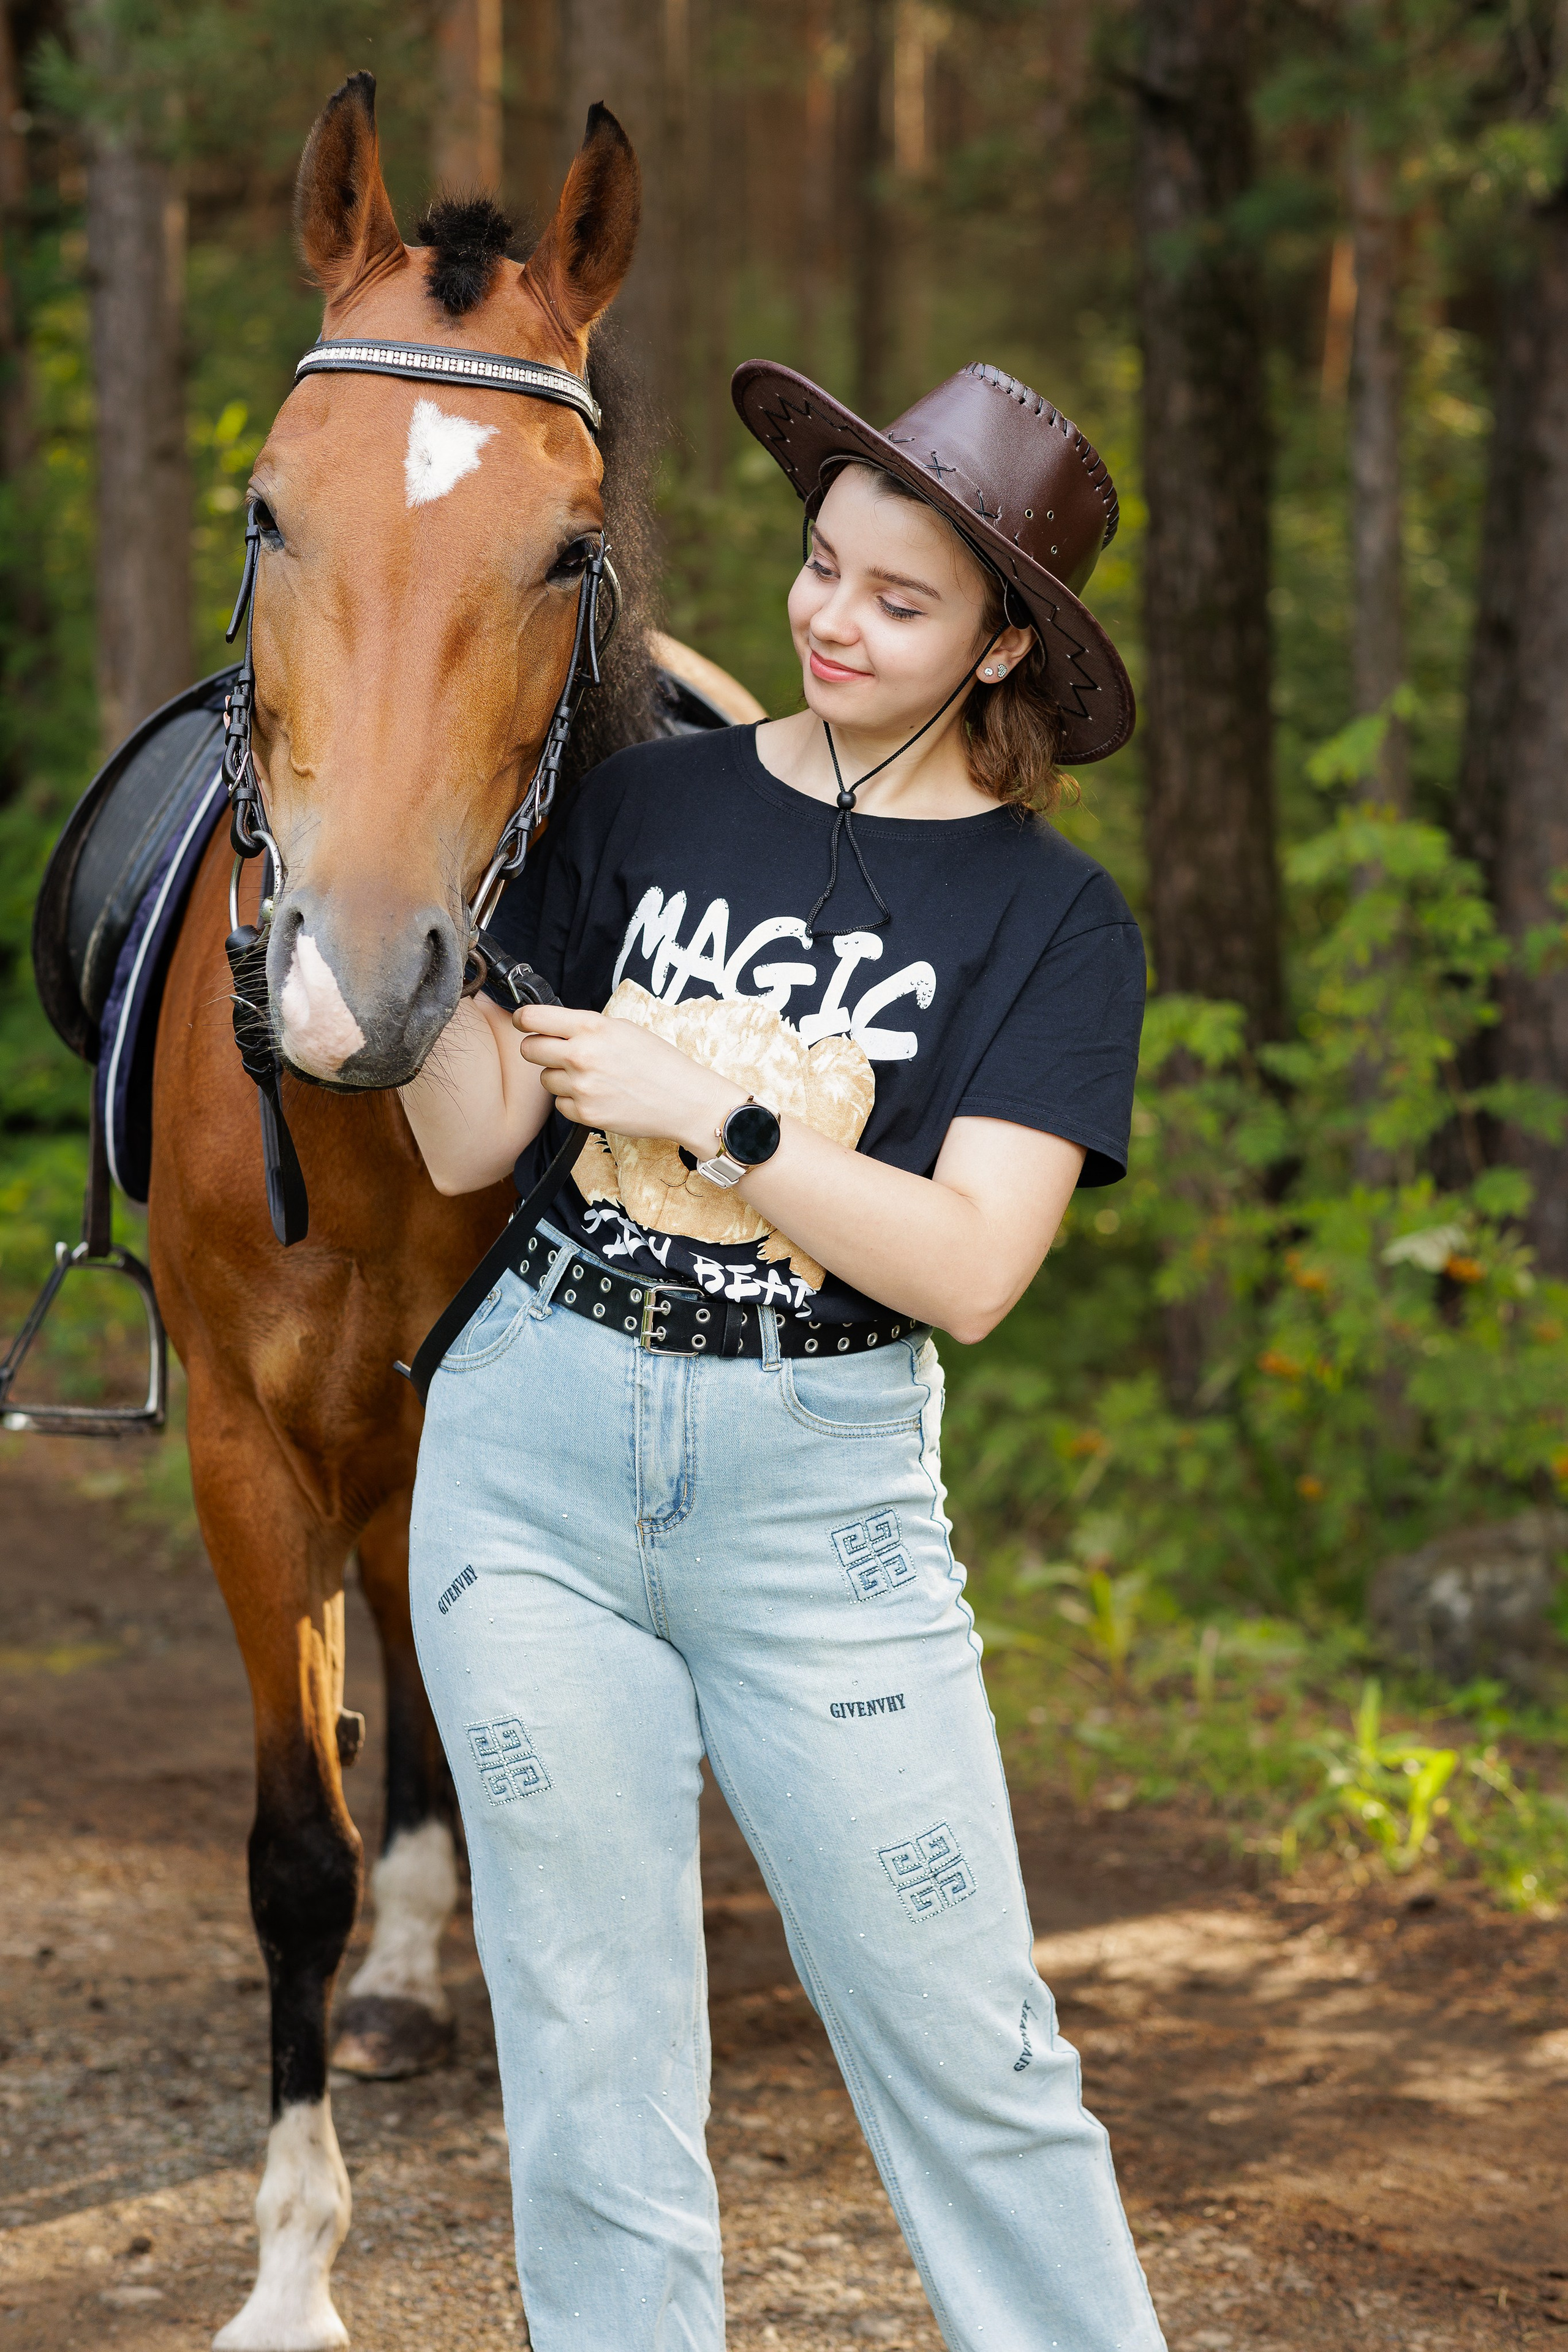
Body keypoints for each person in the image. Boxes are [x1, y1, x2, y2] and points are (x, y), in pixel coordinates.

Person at [400, 357, 1165, 2352]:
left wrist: (713, 1107)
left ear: (1005, 641)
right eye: (823, 571)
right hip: (532, 1468)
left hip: (819, 1520)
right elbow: (484, 1139)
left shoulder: (1051, 923)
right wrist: (399, 973)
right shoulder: (643, 807)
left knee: (972, 2047)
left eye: (902, 604)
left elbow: (974, 1267)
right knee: (587, 2045)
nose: (834, 622)